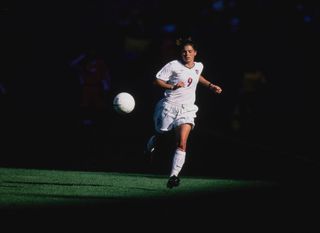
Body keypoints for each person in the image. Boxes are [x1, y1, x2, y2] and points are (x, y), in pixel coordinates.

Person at [145, 37, 222, 189]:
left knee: (181, 142)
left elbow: (196, 76)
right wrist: (172, 86)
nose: (186, 54)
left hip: (187, 109)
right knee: (161, 134)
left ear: (195, 53)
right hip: (169, 107)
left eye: (189, 51)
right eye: (184, 52)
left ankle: (174, 176)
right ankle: (153, 140)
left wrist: (210, 85)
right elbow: (157, 80)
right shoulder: (173, 65)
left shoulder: (199, 66)